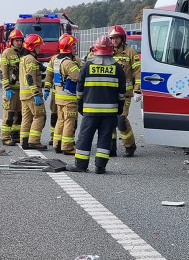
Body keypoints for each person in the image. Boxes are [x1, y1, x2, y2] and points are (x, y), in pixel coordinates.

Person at [67, 36, 126, 174]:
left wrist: (80, 104)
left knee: (85, 137)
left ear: (95, 49)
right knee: (105, 138)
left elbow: (79, 88)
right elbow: (122, 92)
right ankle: (100, 166)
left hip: (90, 111)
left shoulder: (87, 66)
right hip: (110, 112)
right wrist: (120, 107)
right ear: (111, 50)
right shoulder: (117, 68)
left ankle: (81, 165)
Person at [108, 25, 140, 157]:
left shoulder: (130, 52)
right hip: (109, 93)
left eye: (117, 38)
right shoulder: (107, 52)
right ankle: (111, 147)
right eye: (112, 38)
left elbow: (138, 72)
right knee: (109, 120)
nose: (114, 41)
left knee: (121, 120)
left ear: (122, 38)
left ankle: (130, 145)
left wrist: (137, 90)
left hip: (125, 94)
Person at [48, 34, 81, 154]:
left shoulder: (57, 60)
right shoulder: (69, 63)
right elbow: (79, 77)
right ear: (68, 48)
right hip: (69, 98)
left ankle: (57, 144)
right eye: (74, 47)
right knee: (69, 121)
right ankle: (67, 147)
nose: (75, 49)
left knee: (60, 120)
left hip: (59, 97)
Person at [18, 34, 47, 150]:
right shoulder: (31, 59)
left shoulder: (24, 58)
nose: (40, 49)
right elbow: (30, 77)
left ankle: (24, 141)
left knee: (26, 118)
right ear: (32, 47)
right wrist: (36, 93)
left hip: (24, 95)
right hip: (32, 95)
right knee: (39, 116)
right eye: (38, 46)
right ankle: (34, 141)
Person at [0, 29, 25, 145]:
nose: (19, 43)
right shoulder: (7, 53)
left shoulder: (23, 53)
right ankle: (5, 137)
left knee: (19, 114)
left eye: (20, 40)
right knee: (9, 114)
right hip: (11, 89)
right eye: (16, 40)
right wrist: (7, 87)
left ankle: (15, 135)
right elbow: (3, 72)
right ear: (11, 41)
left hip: (21, 89)